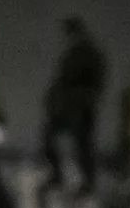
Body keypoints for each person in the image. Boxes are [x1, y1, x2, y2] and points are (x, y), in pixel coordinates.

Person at [43, 16, 106, 192]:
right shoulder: (78, 52)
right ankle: (64, 176)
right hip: (70, 105)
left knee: (82, 144)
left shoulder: (84, 53)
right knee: (62, 141)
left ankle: (85, 181)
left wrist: (86, 98)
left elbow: (87, 80)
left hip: (78, 105)